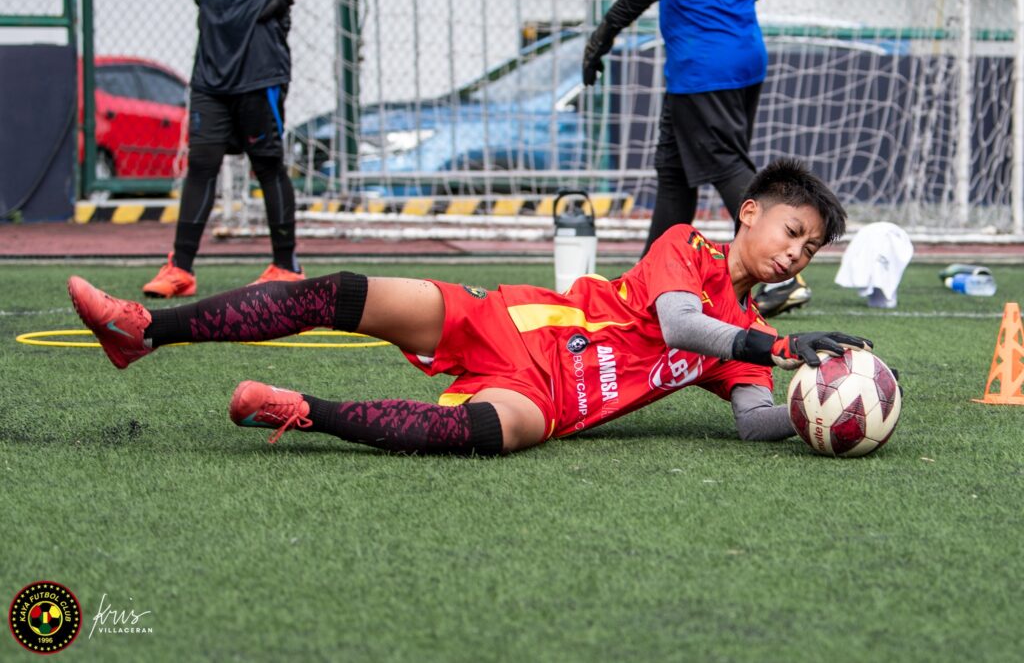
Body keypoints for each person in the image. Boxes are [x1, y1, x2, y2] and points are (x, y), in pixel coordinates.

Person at [69, 159, 873, 455]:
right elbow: (677, 324)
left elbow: (753, 419)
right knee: (340, 293)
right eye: (792, 232)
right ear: (751, 214)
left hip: (547, 399)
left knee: (493, 433)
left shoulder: (756, 337)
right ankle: (143, 331)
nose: (795, 254)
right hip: (513, 320)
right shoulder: (686, 248)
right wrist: (776, 347)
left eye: (809, 250)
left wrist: (838, 390)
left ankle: (302, 412)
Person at [582, 0, 821, 317]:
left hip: (704, 61)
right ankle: (642, 285)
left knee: (724, 162)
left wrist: (603, 33)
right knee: (674, 171)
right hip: (736, 52)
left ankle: (785, 275)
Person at [141, 0, 355, 298]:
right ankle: (180, 269)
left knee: (268, 163)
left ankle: (287, 266)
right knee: (202, 162)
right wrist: (211, 7)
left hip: (260, 69)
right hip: (210, 70)